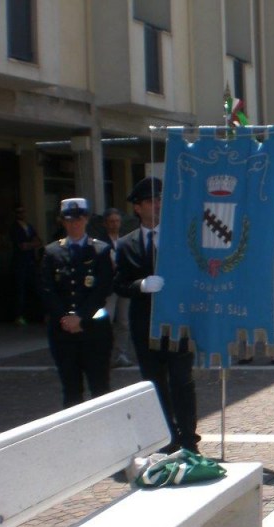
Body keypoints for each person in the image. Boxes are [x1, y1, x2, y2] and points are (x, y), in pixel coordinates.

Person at [114, 176, 201, 453]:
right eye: (151, 201)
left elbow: (196, 273)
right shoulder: (126, 244)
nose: (158, 205)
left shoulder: (181, 237)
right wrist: (140, 285)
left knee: (182, 381)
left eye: (160, 200)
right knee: (154, 384)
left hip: (178, 322)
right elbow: (119, 284)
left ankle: (189, 439)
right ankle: (168, 438)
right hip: (145, 325)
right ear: (137, 207)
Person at [38, 198, 114, 407]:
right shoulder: (52, 252)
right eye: (69, 220)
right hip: (63, 331)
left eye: (79, 219)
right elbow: (46, 289)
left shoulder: (100, 250)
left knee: (100, 388)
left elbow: (103, 288)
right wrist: (65, 318)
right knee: (71, 390)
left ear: (86, 219)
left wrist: (80, 317)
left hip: (94, 329)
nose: (74, 224)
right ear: (63, 221)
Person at [99, 207, 132, 368]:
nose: (114, 224)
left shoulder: (125, 240)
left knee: (124, 322)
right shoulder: (99, 242)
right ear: (105, 223)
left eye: (117, 221)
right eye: (111, 221)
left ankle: (121, 353)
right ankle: (104, 354)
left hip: (123, 285)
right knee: (107, 321)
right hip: (108, 287)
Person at [10, 204, 42, 326]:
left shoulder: (29, 226)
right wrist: (32, 244)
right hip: (20, 263)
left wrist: (30, 244)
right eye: (19, 212)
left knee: (37, 288)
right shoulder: (14, 228)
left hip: (31, 261)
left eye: (23, 212)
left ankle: (39, 314)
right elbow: (22, 246)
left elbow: (39, 241)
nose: (22, 214)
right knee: (20, 291)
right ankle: (19, 316)